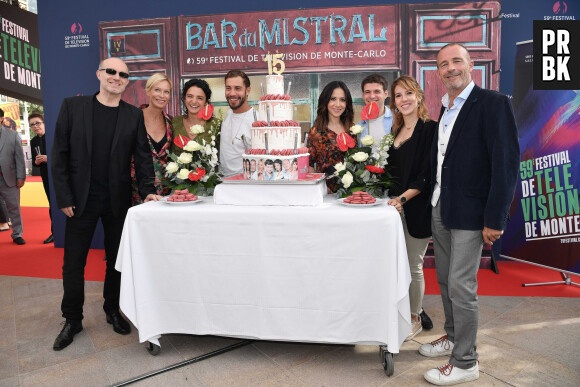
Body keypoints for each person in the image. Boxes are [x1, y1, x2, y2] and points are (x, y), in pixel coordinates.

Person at [420, 43, 519, 385]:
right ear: (438, 72)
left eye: (456, 61)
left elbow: (505, 166)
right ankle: (452, 335)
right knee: (446, 280)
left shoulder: (493, 104)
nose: (450, 68)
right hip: (441, 207)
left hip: (473, 214)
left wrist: (495, 219)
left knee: (462, 286)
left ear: (471, 64)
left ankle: (465, 361)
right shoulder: (444, 108)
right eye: (443, 64)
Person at [51, 57, 161, 351]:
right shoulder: (72, 107)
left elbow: (142, 157)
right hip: (79, 202)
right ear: (99, 74)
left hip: (117, 200)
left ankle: (112, 309)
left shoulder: (132, 116)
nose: (116, 77)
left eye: (122, 74)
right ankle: (72, 319)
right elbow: (59, 155)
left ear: (127, 82)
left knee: (116, 260)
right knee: (73, 263)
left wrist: (148, 190)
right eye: (110, 71)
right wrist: (63, 197)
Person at [386, 76, 436, 342]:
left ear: (418, 96)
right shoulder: (395, 132)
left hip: (415, 208)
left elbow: (426, 175)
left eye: (408, 93)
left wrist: (402, 200)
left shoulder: (430, 129)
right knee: (396, 264)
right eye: (397, 96)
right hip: (393, 208)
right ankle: (400, 310)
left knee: (413, 265)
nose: (403, 100)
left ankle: (415, 316)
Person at [131, 73, 174, 205]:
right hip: (136, 193)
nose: (162, 95)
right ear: (148, 91)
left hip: (166, 195)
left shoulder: (171, 123)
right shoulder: (133, 119)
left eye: (166, 92)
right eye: (157, 90)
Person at [306, 81, 354, 193]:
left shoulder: (352, 130)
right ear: (325, 101)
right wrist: (321, 188)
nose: (338, 104)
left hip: (351, 193)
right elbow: (309, 164)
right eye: (333, 99)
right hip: (326, 194)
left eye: (342, 100)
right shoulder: (316, 132)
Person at [171, 78, 221, 161]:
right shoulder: (175, 122)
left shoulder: (216, 125)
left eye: (200, 98)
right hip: (178, 174)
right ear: (184, 99)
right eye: (190, 96)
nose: (194, 101)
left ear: (206, 102)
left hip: (210, 174)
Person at [220, 70, 256, 178]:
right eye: (228, 88)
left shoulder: (256, 120)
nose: (232, 93)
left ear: (247, 91)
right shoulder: (228, 113)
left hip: (244, 183)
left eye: (238, 88)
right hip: (222, 181)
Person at [0, 108, 26, 245]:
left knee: (14, 208)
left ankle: (17, 234)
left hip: (8, 178)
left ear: (1, 118)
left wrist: (21, 176)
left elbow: (19, 158)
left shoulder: (12, 135)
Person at [29, 113, 54, 243]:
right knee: (51, 204)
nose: (36, 126)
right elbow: (34, 162)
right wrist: (37, 162)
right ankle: (55, 232)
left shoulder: (53, 136)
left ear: (44, 123)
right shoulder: (33, 141)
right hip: (46, 176)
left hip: (59, 175)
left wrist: (49, 158)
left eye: (38, 123)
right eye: (32, 124)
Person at [357, 74, 393, 149]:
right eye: (367, 92)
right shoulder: (359, 127)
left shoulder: (397, 120)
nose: (372, 96)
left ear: (385, 94)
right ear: (363, 95)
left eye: (377, 91)